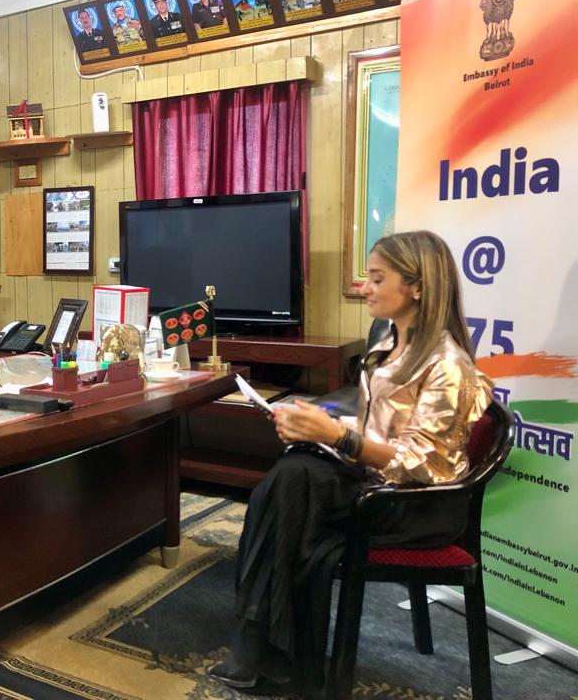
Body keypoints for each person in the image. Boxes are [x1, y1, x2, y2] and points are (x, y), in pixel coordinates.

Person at [209, 230, 493, 697]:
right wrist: (318, 424)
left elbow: (422, 466)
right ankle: (267, 649)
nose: (364, 288)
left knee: (294, 482)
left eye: (377, 279)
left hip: (417, 507)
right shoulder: (389, 345)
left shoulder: (447, 364)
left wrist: (337, 436)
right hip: (377, 483)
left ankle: (267, 649)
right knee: (294, 472)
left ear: (417, 287)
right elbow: (373, 427)